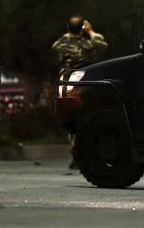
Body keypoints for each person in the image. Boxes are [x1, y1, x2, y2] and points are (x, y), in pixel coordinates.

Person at [52, 15, 108, 170]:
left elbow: (54, 50)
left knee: (71, 118)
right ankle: (89, 153)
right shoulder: (88, 43)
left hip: (66, 83)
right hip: (85, 82)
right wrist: (91, 31)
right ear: (82, 27)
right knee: (89, 116)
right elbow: (103, 45)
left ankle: (75, 155)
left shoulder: (60, 43)